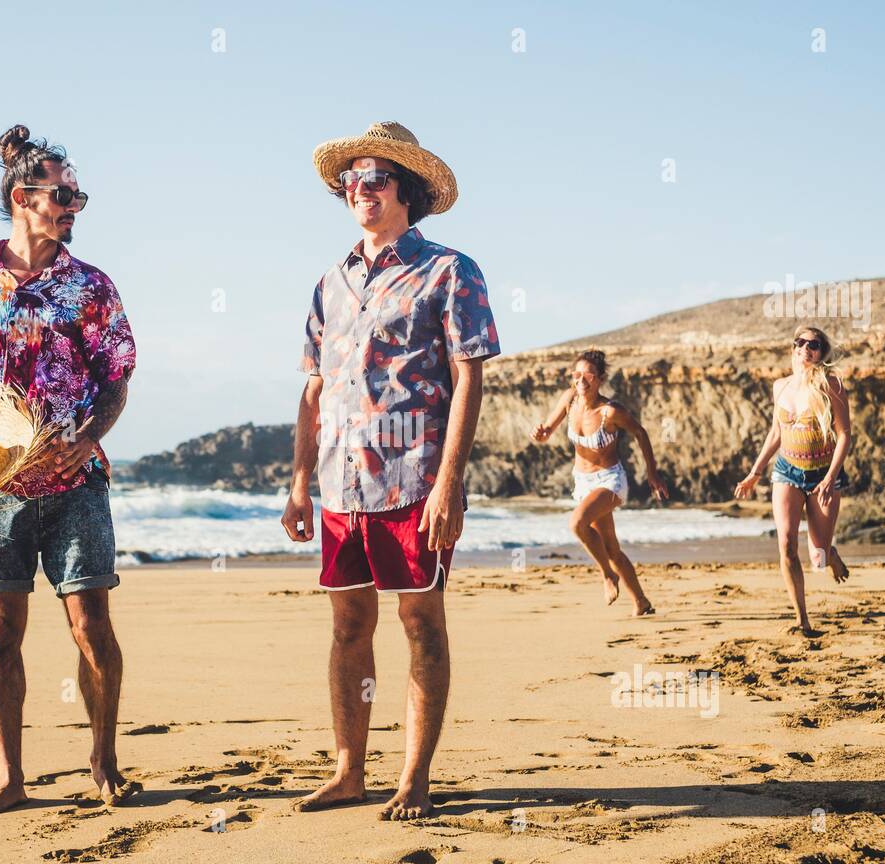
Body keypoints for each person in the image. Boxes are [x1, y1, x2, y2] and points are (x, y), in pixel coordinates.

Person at [281, 122, 501, 821]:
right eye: (351, 179)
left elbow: (470, 378)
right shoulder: (330, 282)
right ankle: (349, 771)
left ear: (405, 190)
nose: (360, 189)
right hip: (340, 485)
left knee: (419, 621)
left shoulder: (450, 270)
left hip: (414, 480)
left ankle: (414, 778)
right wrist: (296, 482)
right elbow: (313, 389)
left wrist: (449, 482)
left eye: (374, 178)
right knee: (348, 625)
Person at [0, 125, 138, 815]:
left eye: (78, 193)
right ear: (23, 197)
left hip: (77, 485)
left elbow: (116, 381)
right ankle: (10, 778)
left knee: (91, 625)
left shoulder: (91, 287)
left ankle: (103, 761)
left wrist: (89, 438)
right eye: (62, 193)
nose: (74, 204)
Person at [734, 326, 851, 636]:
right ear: (793, 348)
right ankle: (802, 619)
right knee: (786, 544)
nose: (805, 349)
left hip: (823, 475)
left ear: (822, 353)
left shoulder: (832, 386)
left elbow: (844, 435)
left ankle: (830, 552)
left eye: (813, 344)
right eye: (800, 342)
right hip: (787, 471)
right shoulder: (780, 387)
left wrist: (830, 478)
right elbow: (776, 433)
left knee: (818, 558)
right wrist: (754, 473)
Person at [531, 350, 667, 615]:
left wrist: (652, 473)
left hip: (609, 480)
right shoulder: (570, 400)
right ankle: (641, 602)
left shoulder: (611, 411)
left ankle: (607, 575)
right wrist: (541, 433)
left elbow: (640, 432)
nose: (581, 380)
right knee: (611, 548)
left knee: (577, 523)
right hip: (582, 482)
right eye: (576, 374)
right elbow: (548, 430)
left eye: (588, 375)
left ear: (600, 379)